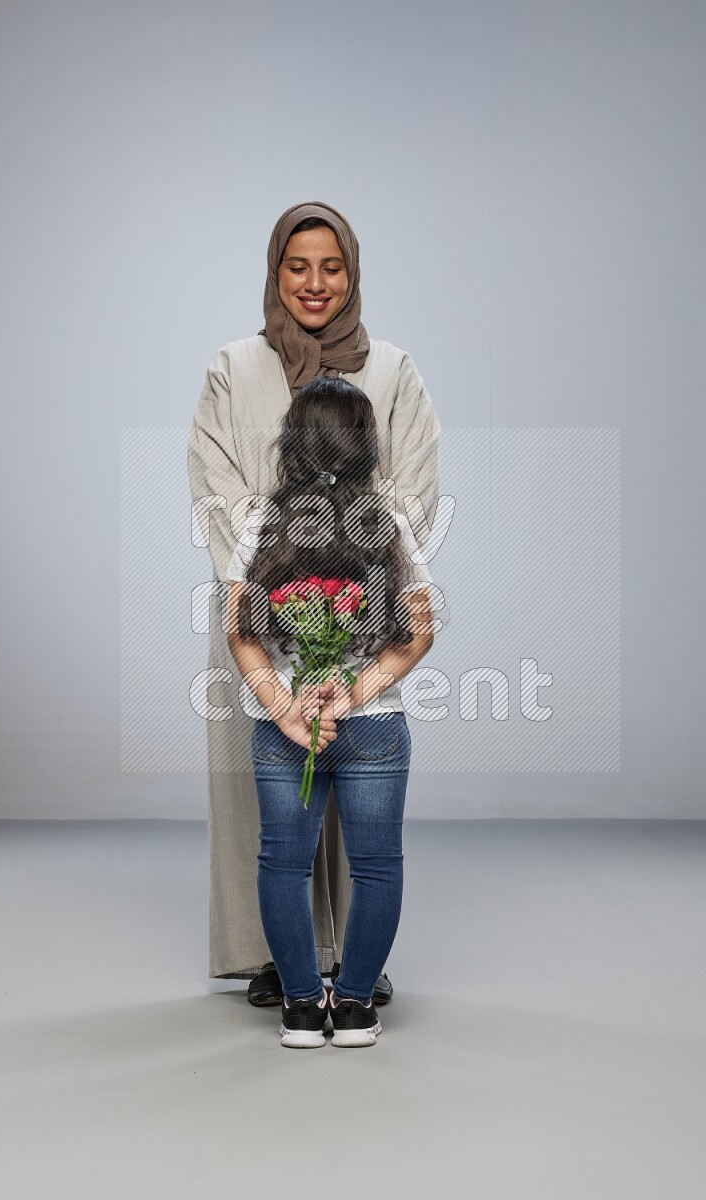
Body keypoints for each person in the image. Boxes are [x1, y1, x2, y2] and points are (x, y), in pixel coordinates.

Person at [187, 200, 441, 1004]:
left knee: (358, 781)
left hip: (364, 611)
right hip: (262, 614)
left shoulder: (393, 368)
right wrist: (269, 577)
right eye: (297, 266)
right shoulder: (235, 364)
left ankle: (349, 957)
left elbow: (413, 483)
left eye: (332, 266)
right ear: (275, 271)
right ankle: (278, 955)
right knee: (270, 804)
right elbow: (215, 477)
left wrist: (361, 571)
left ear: (352, 272)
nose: (314, 282)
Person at [224, 375, 437, 1047]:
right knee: (376, 865)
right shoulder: (390, 520)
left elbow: (241, 631)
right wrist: (356, 692)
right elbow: (420, 630)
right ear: (363, 445)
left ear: (291, 444)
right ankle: (352, 1010)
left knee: (282, 862)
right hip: (373, 728)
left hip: (281, 730)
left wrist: (287, 706)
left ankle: (297, 1009)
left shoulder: (260, 521)